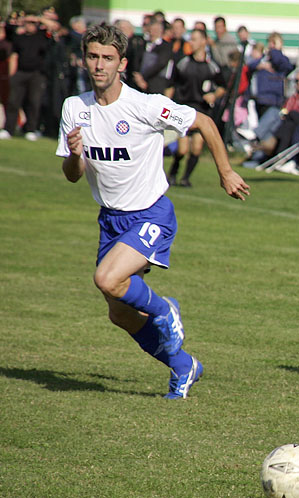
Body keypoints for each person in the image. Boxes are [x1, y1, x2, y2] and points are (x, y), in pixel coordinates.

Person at [55, 23, 250, 399]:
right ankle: (183, 366)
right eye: (93, 57)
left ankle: (165, 310)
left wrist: (225, 171)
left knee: (106, 279)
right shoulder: (74, 108)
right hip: (110, 220)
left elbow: (205, 122)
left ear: (122, 63)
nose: (99, 65)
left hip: (150, 214)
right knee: (119, 313)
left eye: (107, 58)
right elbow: (72, 176)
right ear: (84, 59)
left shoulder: (145, 106)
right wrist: (75, 155)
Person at [167, 28, 227, 187]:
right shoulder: (183, 62)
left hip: (201, 111)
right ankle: (172, 173)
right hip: (183, 109)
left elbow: (222, 86)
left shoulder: (212, 66)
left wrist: (214, 95)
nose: (190, 42)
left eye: (194, 39)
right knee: (182, 149)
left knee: (197, 148)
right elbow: (171, 84)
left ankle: (185, 178)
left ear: (203, 42)